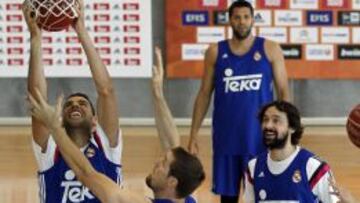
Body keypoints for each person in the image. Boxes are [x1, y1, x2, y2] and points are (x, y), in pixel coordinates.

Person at [27, 47, 205, 203]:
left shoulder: (133, 197)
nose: (157, 161)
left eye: (163, 164)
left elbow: (86, 173)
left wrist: (55, 128)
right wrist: (158, 96)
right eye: (69, 104)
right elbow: (172, 144)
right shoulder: (188, 194)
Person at [187, 1, 289, 202]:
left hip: (260, 139)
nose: (242, 22)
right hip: (227, 139)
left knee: (263, 195)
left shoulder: (270, 49)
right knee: (228, 198)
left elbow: (284, 91)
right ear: (230, 20)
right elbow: (204, 93)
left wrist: (286, 128)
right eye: (237, 17)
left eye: (246, 17)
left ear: (252, 19)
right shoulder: (215, 52)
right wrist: (193, 134)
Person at [23, 0, 122, 202]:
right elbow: (37, 99)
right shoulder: (50, 149)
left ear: (95, 121)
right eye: (69, 104)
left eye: (82, 104)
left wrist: (81, 31)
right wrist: (35, 38)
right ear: (58, 121)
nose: (75, 105)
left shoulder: (107, 146)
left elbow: (106, 91)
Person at [244, 101, 340, 202]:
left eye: (276, 120)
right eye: (265, 120)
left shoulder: (315, 167)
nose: (268, 125)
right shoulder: (253, 167)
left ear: (292, 127)